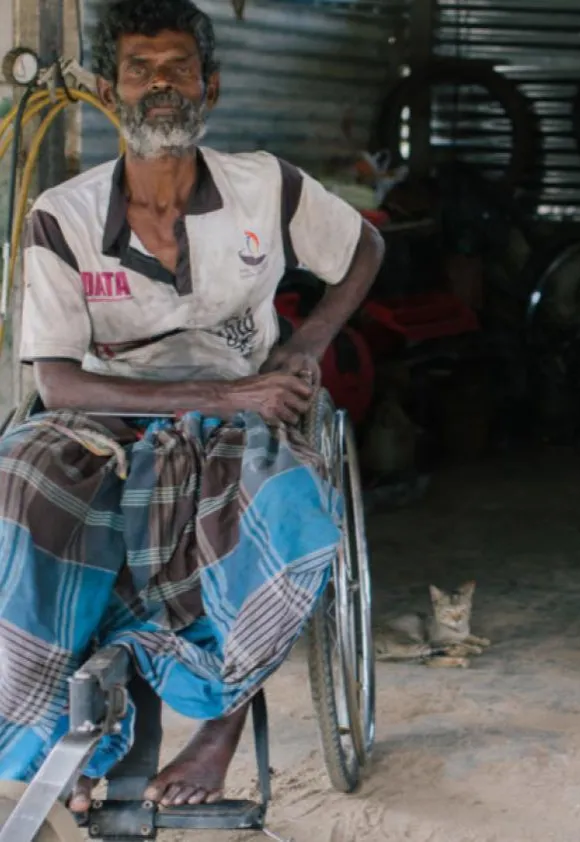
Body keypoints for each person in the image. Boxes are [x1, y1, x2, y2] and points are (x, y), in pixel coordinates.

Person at [0, 0, 384, 812]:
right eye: (140, 70)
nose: (160, 86)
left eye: (178, 68)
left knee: (275, 500)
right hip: (105, 410)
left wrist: (307, 343)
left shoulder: (265, 187)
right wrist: (222, 391)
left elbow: (364, 247)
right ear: (111, 89)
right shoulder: (60, 219)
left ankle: (222, 723)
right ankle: (63, 727)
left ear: (209, 86)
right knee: (19, 486)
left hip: (243, 414)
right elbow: (60, 383)